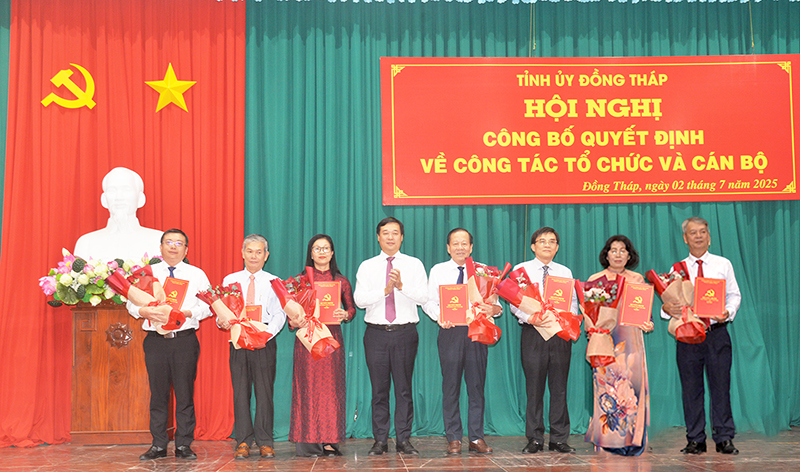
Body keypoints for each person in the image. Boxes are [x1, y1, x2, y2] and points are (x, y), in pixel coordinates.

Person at [128, 229, 211, 461]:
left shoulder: (196, 274)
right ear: (161, 247)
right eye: (169, 242)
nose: (173, 246)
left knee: (184, 393)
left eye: (179, 243)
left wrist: (187, 313)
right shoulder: (148, 273)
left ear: (186, 249)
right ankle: (158, 444)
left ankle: (184, 444)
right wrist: (143, 311)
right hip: (155, 341)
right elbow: (131, 304)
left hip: (184, 340)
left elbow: (208, 306)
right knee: (158, 395)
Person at [660, 217, 741, 455]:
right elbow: (669, 304)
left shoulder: (723, 264)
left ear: (709, 236)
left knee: (721, 387)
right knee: (691, 389)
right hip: (688, 336)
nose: (698, 236)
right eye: (693, 233)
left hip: (717, 333)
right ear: (685, 238)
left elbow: (734, 295)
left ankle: (724, 438)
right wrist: (666, 309)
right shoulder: (677, 270)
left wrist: (728, 312)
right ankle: (695, 439)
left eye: (702, 232)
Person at [422, 228, 501, 455]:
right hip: (450, 332)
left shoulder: (483, 271)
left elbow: (497, 306)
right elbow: (428, 302)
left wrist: (493, 309)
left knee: (476, 387)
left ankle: (476, 437)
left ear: (471, 247)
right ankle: (454, 438)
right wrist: (440, 317)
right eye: (455, 243)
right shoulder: (438, 270)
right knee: (451, 386)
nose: (460, 247)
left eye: (464, 243)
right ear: (448, 248)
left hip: (478, 331)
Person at [354, 217, 428, 456]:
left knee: (404, 389)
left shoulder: (414, 264)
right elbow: (359, 300)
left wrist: (401, 286)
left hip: (405, 333)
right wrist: (384, 291)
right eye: (385, 232)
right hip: (376, 334)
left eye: (395, 233)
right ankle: (380, 440)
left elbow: (424, 297)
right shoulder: (367, 266)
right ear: (378, 237)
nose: (390, 237)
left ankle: (404, 439)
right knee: (379, 390)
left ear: (402, 237)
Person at [510, 226, 579, 454]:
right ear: (533, 246)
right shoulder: (522, 270)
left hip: (559, 333)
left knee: (559, 388)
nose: (547, 244)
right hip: (533, 333)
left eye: (552, 241)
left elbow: (573, 304)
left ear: (557, 247)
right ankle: (535, 438)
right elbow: (514, 303)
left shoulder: (565, 272)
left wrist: (564, 320)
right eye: (542, 241)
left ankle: (559, 438)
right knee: (534, 388)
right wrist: (531, 317)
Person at [288, 234, 356, 457]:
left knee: (331, 390)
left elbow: (352, 308)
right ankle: (308, 442)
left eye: (326, 248)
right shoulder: (300, 281)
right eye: (317, 248)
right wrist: (294, 321)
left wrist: (346, 314)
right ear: (311, 253)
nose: (322, 252)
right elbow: (291, 313)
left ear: (332, 252)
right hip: (308, 339)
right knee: (307, 387)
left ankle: (329, 441)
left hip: (331, 338)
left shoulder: (341, 280)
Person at [584, 235, 653, 456]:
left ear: (629, 255)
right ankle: (607, 439)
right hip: (605, 338)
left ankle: (632, 439)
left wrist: (648, 322)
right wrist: (592, 329)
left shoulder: (637, 279)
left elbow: (644, 310)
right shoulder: (595, 279)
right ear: (606, 255)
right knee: (606, 385)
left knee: (631, 385)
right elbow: (588, 312)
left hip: (631, 338)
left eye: (623, 250)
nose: (618, 254)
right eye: (613, 250)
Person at [219, 234, 286, 460]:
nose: (254, 256)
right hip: (238, 341)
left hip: (264, 340)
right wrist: (222, 321)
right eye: (250, 251)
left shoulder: (274, 281)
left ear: (266, 256)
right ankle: (243, 441)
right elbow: (222, 311)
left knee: (265, 393)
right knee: (240, 392)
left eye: (259, 252)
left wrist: (266, 334)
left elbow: (280, 313)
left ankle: (265, 441)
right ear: (242, 253)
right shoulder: (230, 280)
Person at [74, 167, 162, 261]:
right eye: (112, 190)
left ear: (141, 199)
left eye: (126, 190)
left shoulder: (159, 240)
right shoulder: (86, 243)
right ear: (104, 200)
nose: (119, 197)